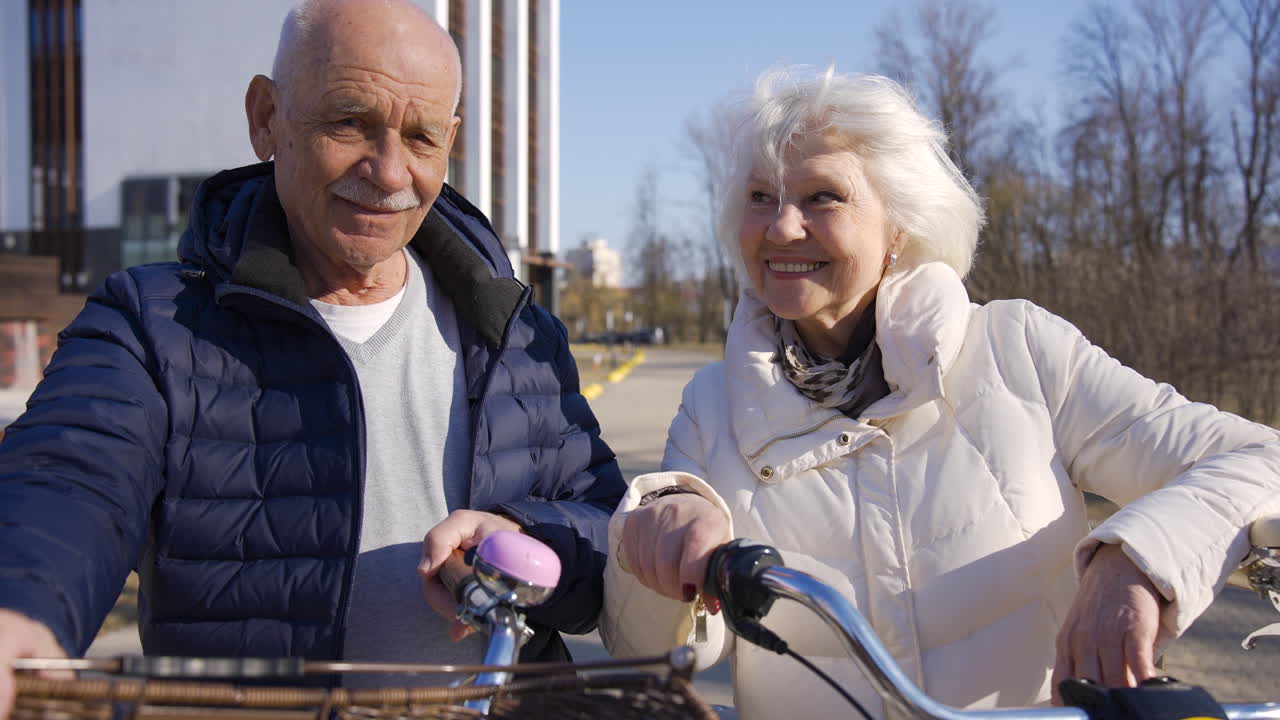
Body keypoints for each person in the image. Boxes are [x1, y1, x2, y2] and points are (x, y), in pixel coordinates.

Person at [0, 0, 624, 714]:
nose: (389, 173)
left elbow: (610, 537)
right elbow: (67, 479)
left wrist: (526, 536)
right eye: (350, 122)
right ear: (266, 116)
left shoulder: (518, 334)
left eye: (421, 137)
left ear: (449, 142)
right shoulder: (153, 325)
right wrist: (19, 607)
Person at [599, 66, 1280, 720]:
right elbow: (650, 649)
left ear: (900, 226)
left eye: (821, 197)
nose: (781, 228)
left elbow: (1258, 460)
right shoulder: (711, 406)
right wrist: (650, 547)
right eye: (760, 198)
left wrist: (1134, 559)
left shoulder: (1021, 352)